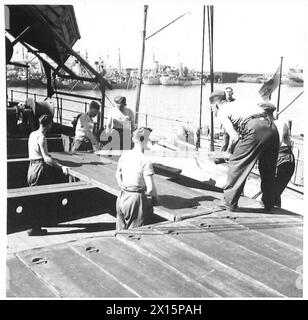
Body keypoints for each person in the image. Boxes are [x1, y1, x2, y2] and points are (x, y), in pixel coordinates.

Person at [209, 90, 279, 211]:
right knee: (268, 168)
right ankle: (269, 203)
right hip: (272, 128)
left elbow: (234, 136)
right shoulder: (240, 103)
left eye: (212, 109)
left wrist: (229, 153)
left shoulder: (221, 111)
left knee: (237, 163)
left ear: (215, 105)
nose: (213, 112)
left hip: (255, 128)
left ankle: (229, 202)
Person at [27, 114, 69, 235]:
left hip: (31, 167)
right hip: (39, 168)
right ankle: (35, 229)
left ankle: (36, 225)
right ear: (49, 124)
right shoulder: (42, 138)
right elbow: (46, 159)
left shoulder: (32, 134)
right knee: (39, 200)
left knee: (33, 197)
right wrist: (61, 167)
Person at [115, 127, 159, 230]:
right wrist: (156, 198)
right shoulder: (145, 160)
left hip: (122, 197)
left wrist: (125, 188)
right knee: (135, 234)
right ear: (143, 140)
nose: (150, 143)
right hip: (136, 201)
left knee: (120, 232)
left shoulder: (124, 155)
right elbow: (151, 189)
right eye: (149, 140)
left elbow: (118, 175)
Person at [274, 119, 295, 207]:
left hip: (283, 156)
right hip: (278, 155)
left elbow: (278, 142)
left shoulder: (279, 124)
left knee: (274, 191)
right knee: (272, 191)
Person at [220, 87, 236, 152]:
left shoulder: (235, 102)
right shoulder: (222, 102)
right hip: (226, 123)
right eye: (227, 92)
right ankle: (221, 156)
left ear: (232, 93)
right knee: (225, 141)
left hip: (234, 123)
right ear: (225, 93)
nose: (229, 93)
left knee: (234, 140)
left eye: (230, 92)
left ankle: (230, 155)